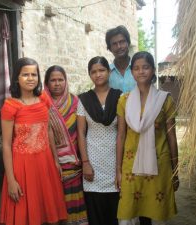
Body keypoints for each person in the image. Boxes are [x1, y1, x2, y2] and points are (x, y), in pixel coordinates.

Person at [0, 58, 67, 225]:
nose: (30, 78)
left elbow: (48, 129)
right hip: (21, 167)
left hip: (45, 163)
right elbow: (6, 145)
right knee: (25, 216)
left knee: (48, 212)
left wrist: (56, 160)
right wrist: (11, 180)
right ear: (16, 78)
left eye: (34, 74)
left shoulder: (44, 98)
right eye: (25, 75)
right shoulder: (10, 106)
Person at [116, 51, 179, 225]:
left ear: (152, 70)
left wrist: (176, 170)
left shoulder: (164, 100)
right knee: (127, 213)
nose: (141, 71)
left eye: (145, 67)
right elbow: (121, 136)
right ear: (132, 72)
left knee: (158, 214)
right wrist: (118, 171)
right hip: (131, 165)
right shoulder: (124, 101)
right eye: (136, 68)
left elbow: (172, 137)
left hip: (160, 163)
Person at [77, 56, 122, 225]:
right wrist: (85, 162)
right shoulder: (84, 99)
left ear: (109, 72)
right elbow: (81, 133)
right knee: (95, 213)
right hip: (92, 162)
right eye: (93, 72)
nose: (98, 74)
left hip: (114, 162)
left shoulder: (120, 97)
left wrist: (119, 168)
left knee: (114, 212)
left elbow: (121, 134)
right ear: (90, 75)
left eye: (102, 70)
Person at [44, 65, 88, 225]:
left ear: (66, 81)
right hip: (51, 162)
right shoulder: (42, 103)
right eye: (53, 80)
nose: (57, 83)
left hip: (74, 163)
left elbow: (82, 131)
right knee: (55, 203)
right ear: (46, 83)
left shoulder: (75, 101)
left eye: (60, 79)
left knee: (74, 201)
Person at [105, 25, 136, 93]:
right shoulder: (106, 73)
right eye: (114, 44)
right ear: (110, 49)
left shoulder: (138, 69)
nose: (119, 46)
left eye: (122, 42)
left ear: (128, 43)